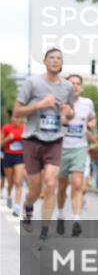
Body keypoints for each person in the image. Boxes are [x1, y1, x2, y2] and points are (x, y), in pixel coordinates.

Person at [13, 48, 76, 241]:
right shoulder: (33, 82)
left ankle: (44, 233)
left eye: (59, 58)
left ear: (62, 62)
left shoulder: (67, 87)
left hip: (55, 140)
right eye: (52, 58)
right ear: (44, 61)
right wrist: (39, 105)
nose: (55, 61)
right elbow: (17, 111)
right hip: (32, 139)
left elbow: (70, 113)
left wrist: (69, 112)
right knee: (34, 188)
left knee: (50, 183)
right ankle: (28, 207)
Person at [55, 74, 96, 237]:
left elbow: (93, 119)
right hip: (61, 148)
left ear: (82, 87)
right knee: (62, 186)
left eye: (78, 83)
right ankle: (60, 215)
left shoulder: (88, 103)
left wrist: (91, 124)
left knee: (78, 184)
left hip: (79, 147)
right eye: (72, 83)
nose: (75, 86)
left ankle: (76, 220)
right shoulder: (59, 102)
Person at [2, 110, 26, 215]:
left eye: (18, 117)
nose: (16, 120)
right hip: (8, 156)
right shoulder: (6, 128)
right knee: (11, 182)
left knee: (18, 182)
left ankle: (17, 207)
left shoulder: (24, 128)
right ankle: (8, 194)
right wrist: (8, 138)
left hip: (20, 156)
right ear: (11, 118)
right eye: (14, 117)